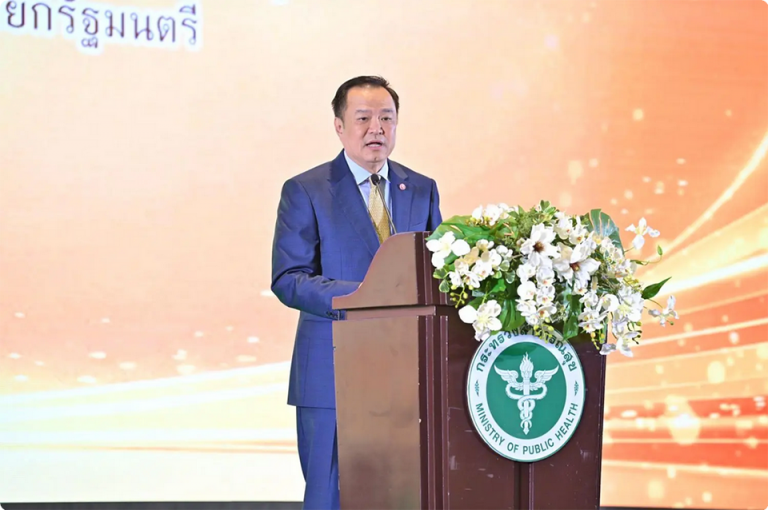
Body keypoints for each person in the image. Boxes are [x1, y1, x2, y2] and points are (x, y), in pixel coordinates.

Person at [270, 76, 443, 510]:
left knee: (405, 494)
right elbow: (289, 277)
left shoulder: (421, 188)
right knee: (330, 496)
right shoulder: (306, 190)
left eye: (387, 118)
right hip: (332, 371)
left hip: (408, 374)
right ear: (339, 126)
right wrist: (368, 296)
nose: (376, 129)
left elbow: (438, 272)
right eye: (363, 118)